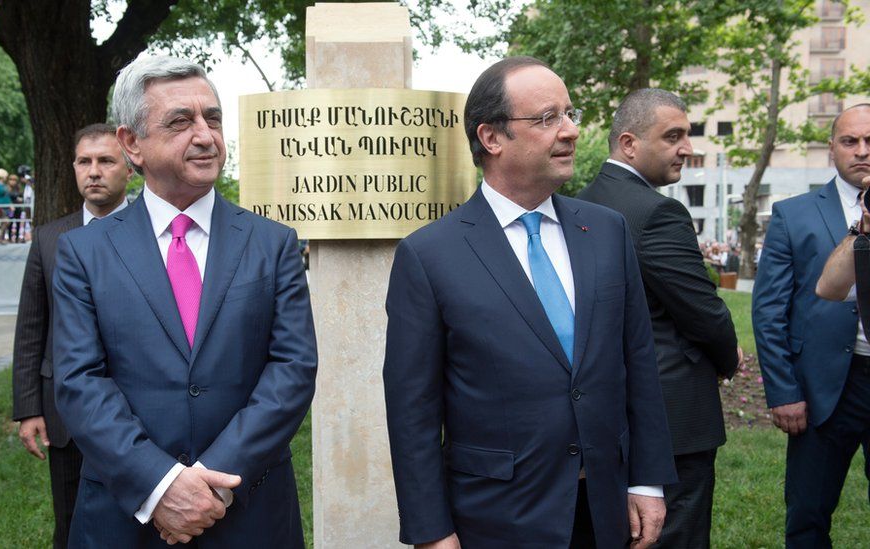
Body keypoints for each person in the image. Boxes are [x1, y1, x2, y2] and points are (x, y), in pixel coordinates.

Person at [383, 56, 676, 549]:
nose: (571, 131)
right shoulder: (429, 255)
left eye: (569, 113)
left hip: (605, 508)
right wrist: (432, 533)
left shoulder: (607, 231)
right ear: (492, 138)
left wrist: (645, 480)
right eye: (547, 118)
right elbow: (412, 412)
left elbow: (639, 363)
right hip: (497, 516)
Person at [52, 56, 317, 547]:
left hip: (248, 508)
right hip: (126, 514)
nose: (205, 135)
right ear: (131, 143)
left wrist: (210, 484)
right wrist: (160, 486)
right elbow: (78, 382)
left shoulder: (272, 243)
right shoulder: (83, 252)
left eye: (212, 118)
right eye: (181, 121)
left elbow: (293, 368)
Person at [577, 88, 741, 548]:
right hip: (672, 421)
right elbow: (704, 312)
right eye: (673, 136)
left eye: (686, 136)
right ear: (629, 143)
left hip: (606, 412)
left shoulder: (581, 203)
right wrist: (729, 358)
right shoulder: (659, 212)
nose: (687, 148)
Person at [753, 103, 870, 547]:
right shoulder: (793, 214)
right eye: (849, 141)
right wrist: (784, 392)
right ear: (832, 149)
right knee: (808, 513)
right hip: (825, 386)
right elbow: (768, 311)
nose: (861, 150)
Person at [12, 123, 132, 549]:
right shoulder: (49, 239)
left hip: (135, 406)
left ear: (130, 167)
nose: (94, 171)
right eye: (85, 161)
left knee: (137, 518)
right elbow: (31, 327)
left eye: (105, 161)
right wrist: (28, 408)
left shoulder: (150, 236)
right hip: (64, 412)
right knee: (70, 522)